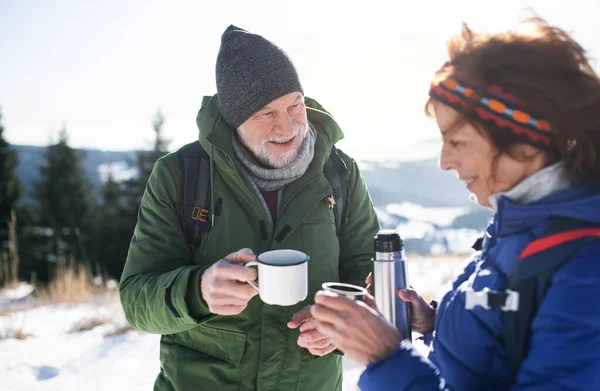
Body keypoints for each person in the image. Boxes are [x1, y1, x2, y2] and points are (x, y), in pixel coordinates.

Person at [310, 17, 600, 390]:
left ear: (525, 142)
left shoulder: (584, 266)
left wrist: (388, 359)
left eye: (458, 142)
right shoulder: (514, 224)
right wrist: (436, 323)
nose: (444, 161)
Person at [118, 25, 379, 391]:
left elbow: (369, 269)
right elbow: (136, 298)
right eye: (265, 113)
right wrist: (199, 290)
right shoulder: (180, 175)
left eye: (294, 104)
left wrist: (343, 321)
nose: (287, 126)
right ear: (235, 118)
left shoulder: (340, 172)